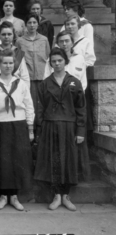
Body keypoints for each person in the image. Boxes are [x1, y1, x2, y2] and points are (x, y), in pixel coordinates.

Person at [34, 48, 87, 211]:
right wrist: (40, 129)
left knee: (68, 161)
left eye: (60, 60)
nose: (57, 64)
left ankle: (66, 195)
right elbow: (41, 107)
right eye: (54, 61)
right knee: (54, 161)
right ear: (50, 63)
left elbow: (81, 108)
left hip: (69, 127)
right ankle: (56, 195)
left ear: (65, 61)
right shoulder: (45, 83)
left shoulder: (74, 82)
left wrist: (80, 131)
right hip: (50, 126)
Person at [0, 48, 35, 211]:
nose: (7, 66)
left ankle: (14, 196)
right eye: (4, 63)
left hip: (18, 125)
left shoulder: (21, 84)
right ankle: (3, 196)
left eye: (10, 63)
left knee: (17, 161)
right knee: (2, 163)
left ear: (15, 65)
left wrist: (30, 128)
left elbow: (29, 106)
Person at [15, 13, 50, 111]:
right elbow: (17, 60)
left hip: (42, 77)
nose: (32, 25)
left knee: (42, 103)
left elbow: (47, 56)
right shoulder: (20, 41)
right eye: (29, 22)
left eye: (34, 22)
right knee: (29, 103)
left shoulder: (44, 39)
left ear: (38, 24)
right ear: (26, 24)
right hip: (27, 78)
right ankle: (30, 125)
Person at [0, 21, 30, 88]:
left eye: (9, 34)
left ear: (13, 35)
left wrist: (25, 92)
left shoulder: (18, 53)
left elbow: (25, 76)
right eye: (3, 34)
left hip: (16, 87)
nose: (6, 37)